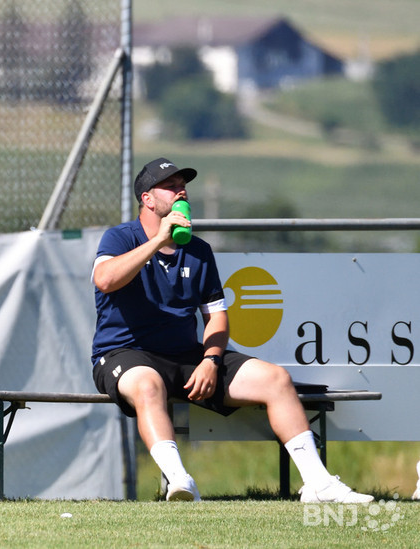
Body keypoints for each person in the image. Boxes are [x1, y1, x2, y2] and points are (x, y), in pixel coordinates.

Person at [90, 157, 374, 503]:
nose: (182, 192)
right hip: (123, 353)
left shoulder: (198, 250)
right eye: (171, 186)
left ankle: (318, 484)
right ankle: (181, 482)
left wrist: (211, 360)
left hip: (188, 357)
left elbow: (217, 318)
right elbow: (105, 280)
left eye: (184, 186)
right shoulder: (120, 237)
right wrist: (158, 240)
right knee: (148, 383)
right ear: (147, 199)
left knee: (276, 379)